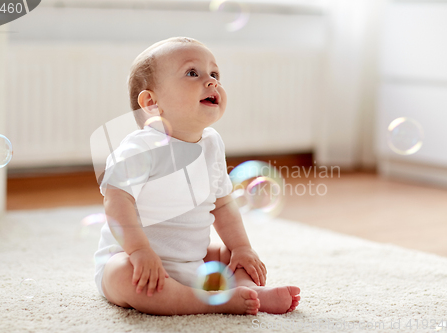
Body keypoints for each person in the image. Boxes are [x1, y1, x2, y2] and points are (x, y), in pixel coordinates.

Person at [94, 37, 300, 315]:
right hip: (138, 262)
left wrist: (241, 247)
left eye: (214, 74)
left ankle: (251, 291)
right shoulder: (138, 149)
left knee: (229, 255)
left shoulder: (212, 144)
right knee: (120, 274)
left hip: (193, 261)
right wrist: (140, 251)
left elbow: (224, 204)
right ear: (152, 103)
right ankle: (205, 302)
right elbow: (116, 203)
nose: (212, 81)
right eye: (193, 73)